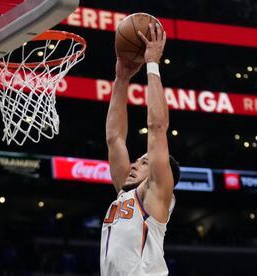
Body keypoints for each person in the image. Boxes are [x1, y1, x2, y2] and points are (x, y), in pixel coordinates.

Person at [100, 22, 181, 276]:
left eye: (144, 162)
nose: (134, 164)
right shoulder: (127, 192)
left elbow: (157, 127)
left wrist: (152, 64)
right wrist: (121, 78)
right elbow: (114, 138)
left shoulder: (155, 195)